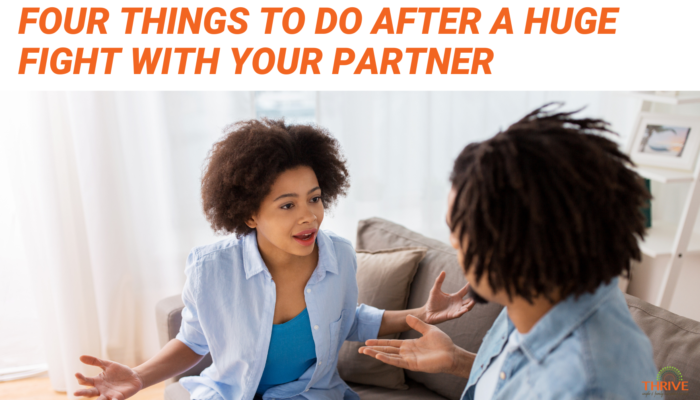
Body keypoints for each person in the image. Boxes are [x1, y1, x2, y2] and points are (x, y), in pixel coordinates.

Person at [73, 119, 476, 400]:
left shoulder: (339, 256)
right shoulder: (210, 270)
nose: (309, 216)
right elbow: (193, 341)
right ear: (249, 214)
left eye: (315, 199)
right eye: (287, 205)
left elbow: (347, 318)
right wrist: (139, 376)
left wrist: (420, 313)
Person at [360, 105, 658, 399]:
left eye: (459, 231)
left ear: (519, 244)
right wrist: (457, 360)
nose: (452, 243)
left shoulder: (588, 385)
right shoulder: (542, 295)